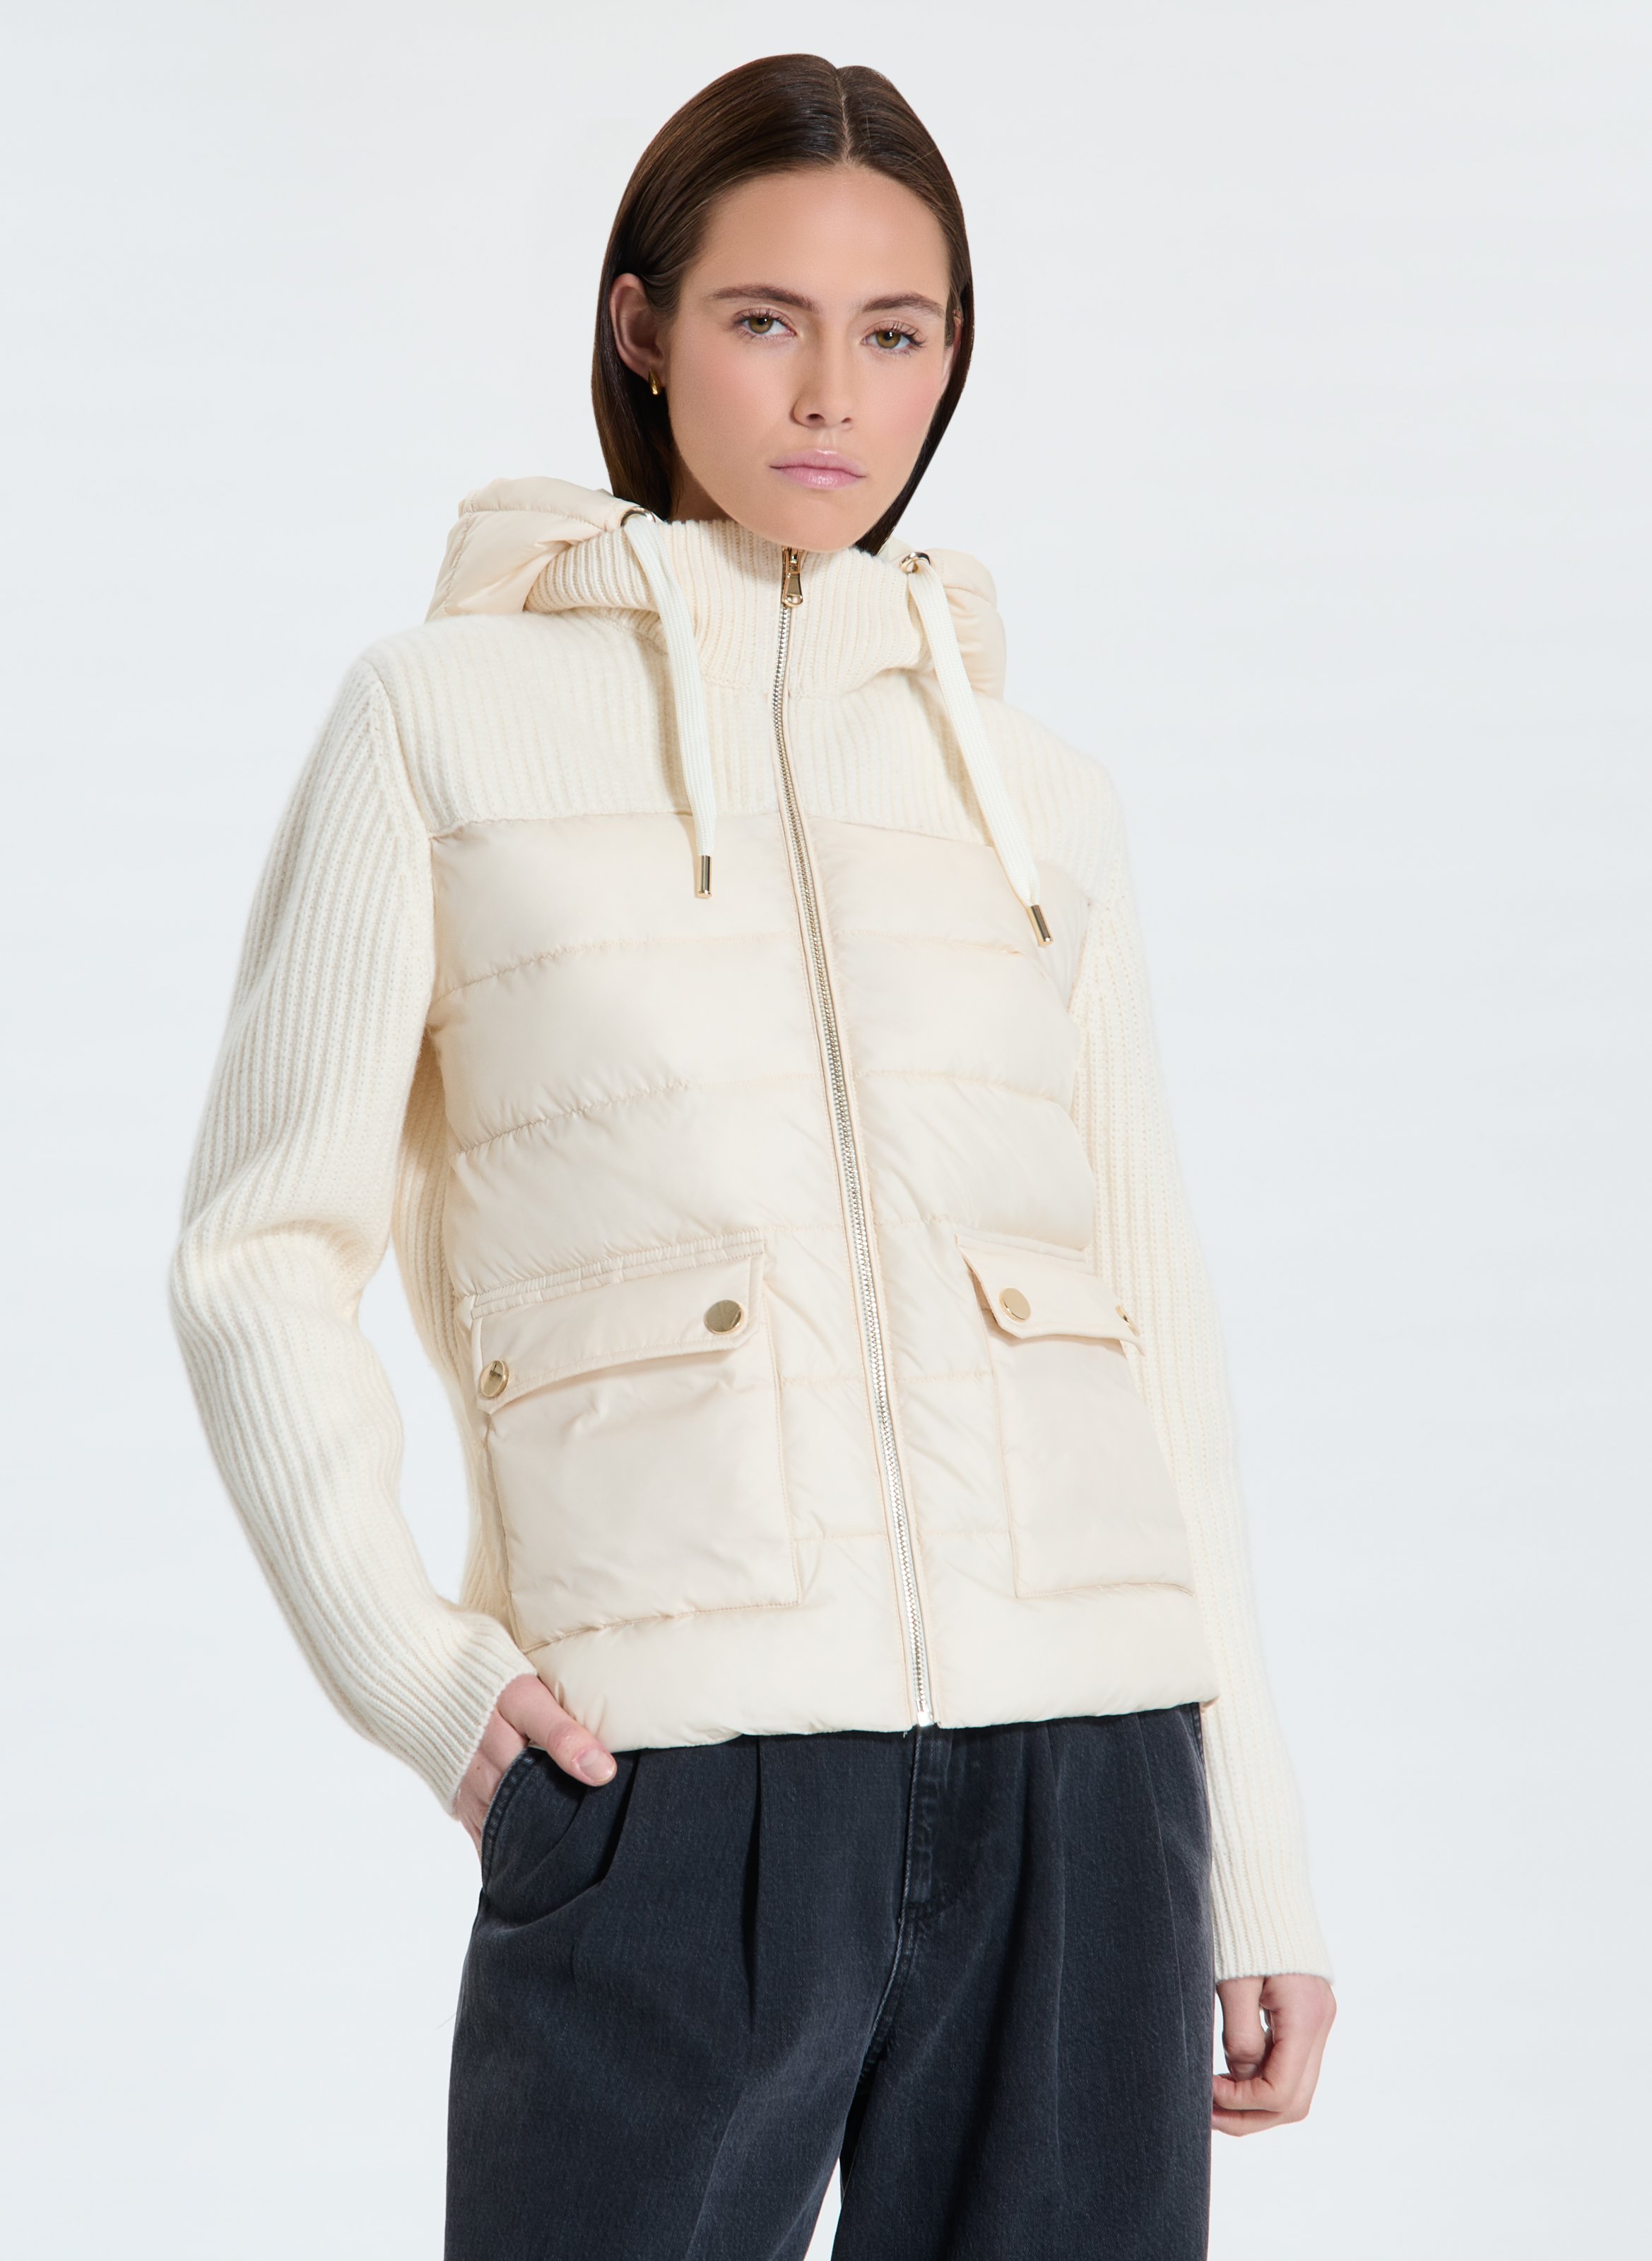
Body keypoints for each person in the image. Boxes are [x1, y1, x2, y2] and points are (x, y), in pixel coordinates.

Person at [172, 52, 1335, 2261]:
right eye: (762, 319)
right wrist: (423, 1676)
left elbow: (1150, 1341)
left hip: (1088, 1772)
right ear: (642, 328)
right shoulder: (438, 721)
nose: (830, 394)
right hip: (673, 1778)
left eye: (894, 334)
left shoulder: (1035, 797)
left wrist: (1251, 1857)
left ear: (951, 361)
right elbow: (257, 1253)